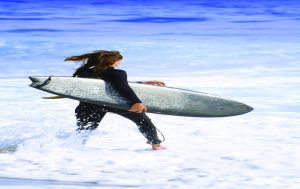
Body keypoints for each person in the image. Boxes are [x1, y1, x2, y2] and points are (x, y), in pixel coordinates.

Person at [64, 50, 166, 150]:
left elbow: (108, 84)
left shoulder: (85, 72)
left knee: (84, 130)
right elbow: (122, 86)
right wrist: (136, 102)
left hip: (90, 105)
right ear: (113, 61)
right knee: (143, 120)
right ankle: (156, 145)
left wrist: (142, 83)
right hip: (113, 103)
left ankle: (72, 149)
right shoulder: (118, 73)